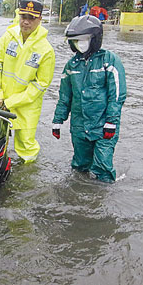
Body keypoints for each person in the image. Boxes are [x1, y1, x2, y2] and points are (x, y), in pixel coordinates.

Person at [52, 15, 127, 182]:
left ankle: (103, 201)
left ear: (95, 38)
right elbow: (65, 95)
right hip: (79, 126)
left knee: (103, 168)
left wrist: (111, 122)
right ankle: (81, 203)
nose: (80, 44)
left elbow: (117, 95)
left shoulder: (109, 61)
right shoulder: (72, 65)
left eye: (84, 39)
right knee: (80, 167)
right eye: (76, 40)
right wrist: (58, 120)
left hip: (103, 125)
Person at [0, 0, 55, 162]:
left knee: (26, 146)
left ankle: (28, 178)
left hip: (27, 106)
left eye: (31, 18)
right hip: (0, 100)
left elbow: (40, 85)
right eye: (23, 16)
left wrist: (11, 102)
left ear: (39, 19)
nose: (26, 21)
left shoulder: (46, 50)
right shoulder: (8, 36)